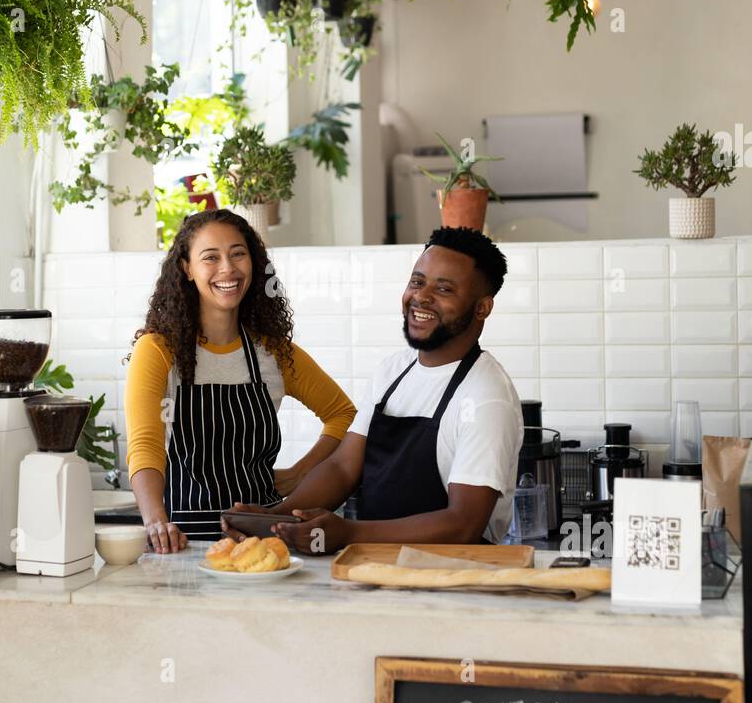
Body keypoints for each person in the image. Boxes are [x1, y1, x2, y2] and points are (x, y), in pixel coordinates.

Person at [226, 226, 523, 552]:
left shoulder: (486, 397)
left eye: (444, 289)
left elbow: (463, 524)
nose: (422, 297)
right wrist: (277, 518)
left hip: (453, 581)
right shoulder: (393, 371)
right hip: (376, 569)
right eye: (417, 282)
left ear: (482, 308)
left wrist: (349, 533)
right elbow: (342, 468)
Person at [126, 209, 355, 550]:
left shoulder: (274, 353)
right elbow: (145, 445)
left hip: (262, 540)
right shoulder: (159, 350)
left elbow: (345, 415)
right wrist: (155, 520)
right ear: (187, 269)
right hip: (184, 544)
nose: (227, 269)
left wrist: (299, 474)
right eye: (210, 258)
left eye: (237, 254)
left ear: (253, 263)